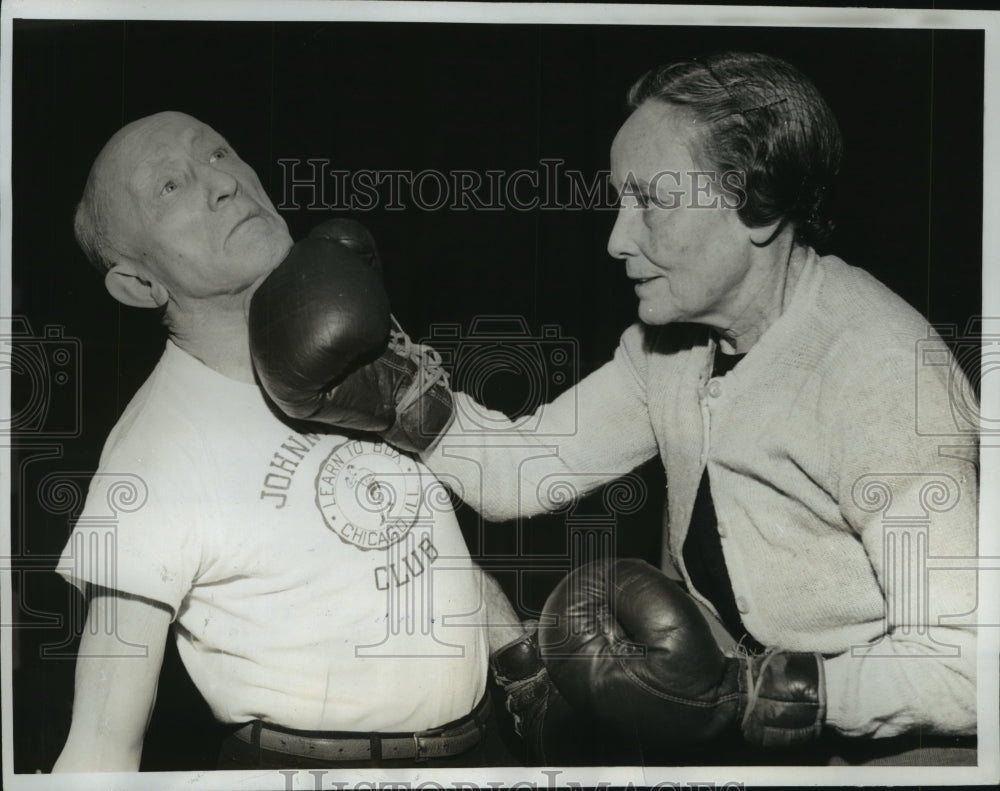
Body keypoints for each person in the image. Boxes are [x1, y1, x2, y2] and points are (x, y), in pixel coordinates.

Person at [254, 52, 979, 760]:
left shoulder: (882, 371)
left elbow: (974, 663)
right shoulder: (671, 346)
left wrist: (771, 690)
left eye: (652, 203)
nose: (616, 238)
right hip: (736, 719)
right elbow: (523, 472)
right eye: (619, 200)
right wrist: (398, 397)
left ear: (755, 203)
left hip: (891, 742)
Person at [52, 110, 538, 771]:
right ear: (140, 283)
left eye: (220, 151)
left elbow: (410, 542)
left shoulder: (351, 341)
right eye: (171, 186)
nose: (221, 182)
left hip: (481, 750)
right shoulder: (153, 453)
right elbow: (102, 743)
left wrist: (520, 664)